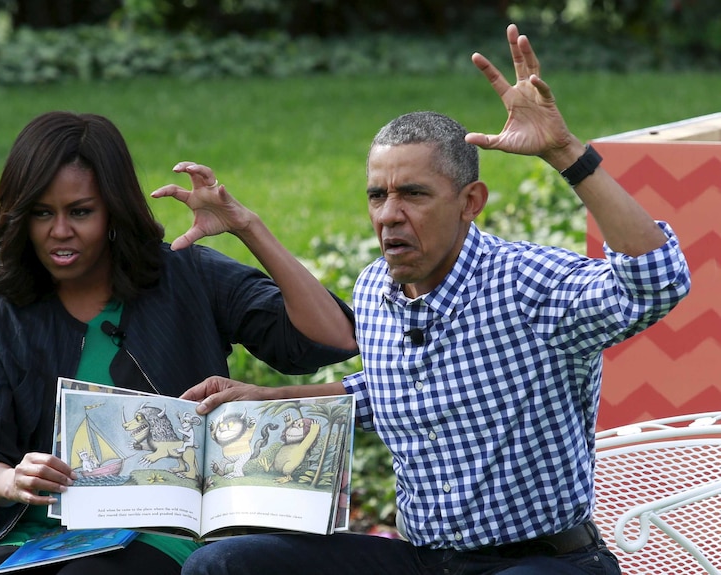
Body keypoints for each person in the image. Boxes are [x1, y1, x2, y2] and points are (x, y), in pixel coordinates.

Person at [178, 23, 691, 575]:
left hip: (543, 560)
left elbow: (655, 282)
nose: (388, 214)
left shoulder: (528, 282)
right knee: (226, 565)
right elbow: (396, 391)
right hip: (426, 561)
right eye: (378, 195)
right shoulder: (376, 288)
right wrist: (272, 398)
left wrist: (567, 153)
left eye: (414, 194)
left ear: (471, 201)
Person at [0, 111, 358, 575]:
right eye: (42, 212)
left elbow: (331, 339)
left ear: (114, 209)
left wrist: (247, 227)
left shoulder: (183, 275)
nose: (59, 231)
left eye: (80, 211)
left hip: (161, 535)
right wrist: (13, 479)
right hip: (30, 531)